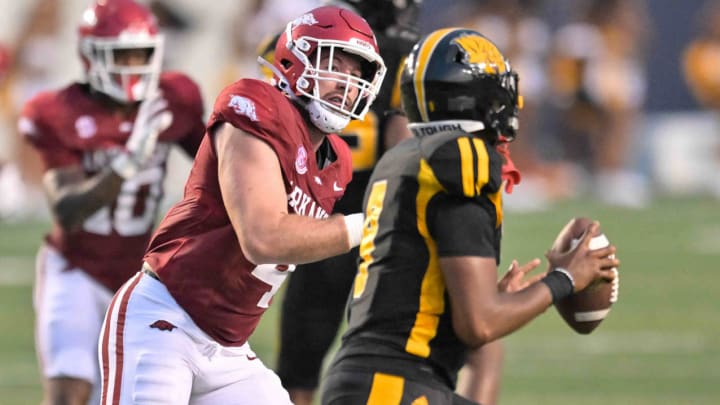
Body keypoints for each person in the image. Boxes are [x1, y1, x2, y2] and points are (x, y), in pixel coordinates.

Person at [98, 5, 386, 404]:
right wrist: (368, 225)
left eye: (358, 76)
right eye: (335, 66)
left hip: (229, 349)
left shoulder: (337, 162)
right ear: (295, 58)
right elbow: (263, 237)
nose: (347, 85)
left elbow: (304, 244)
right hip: (166, 321)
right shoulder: (254, 106)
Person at [320, 27, 619, 405]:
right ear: (476, 99)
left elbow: (418, 290)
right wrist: (565, 279)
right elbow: (479, 323)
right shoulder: (462, 158)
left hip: (373, 381)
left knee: (489, 356)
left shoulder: (404, 158)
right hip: (394, 386)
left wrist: (491, 299)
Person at [19, 1, 206, 404]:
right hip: (76, 269)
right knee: (69, 394)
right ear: (90, 56)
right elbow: (68, 211)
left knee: (125, 394)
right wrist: (127, 163)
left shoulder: (174, 98)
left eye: (140, 54)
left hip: (139, 276)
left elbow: (219, 165)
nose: (132, 66)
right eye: (121, 55)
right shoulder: (57, 111)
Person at [272, 2, 419, 404]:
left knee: (297, 371)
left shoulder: (302, 35)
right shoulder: (404, 53)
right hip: (377, 219)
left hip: (313, 208)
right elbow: (404, 147)